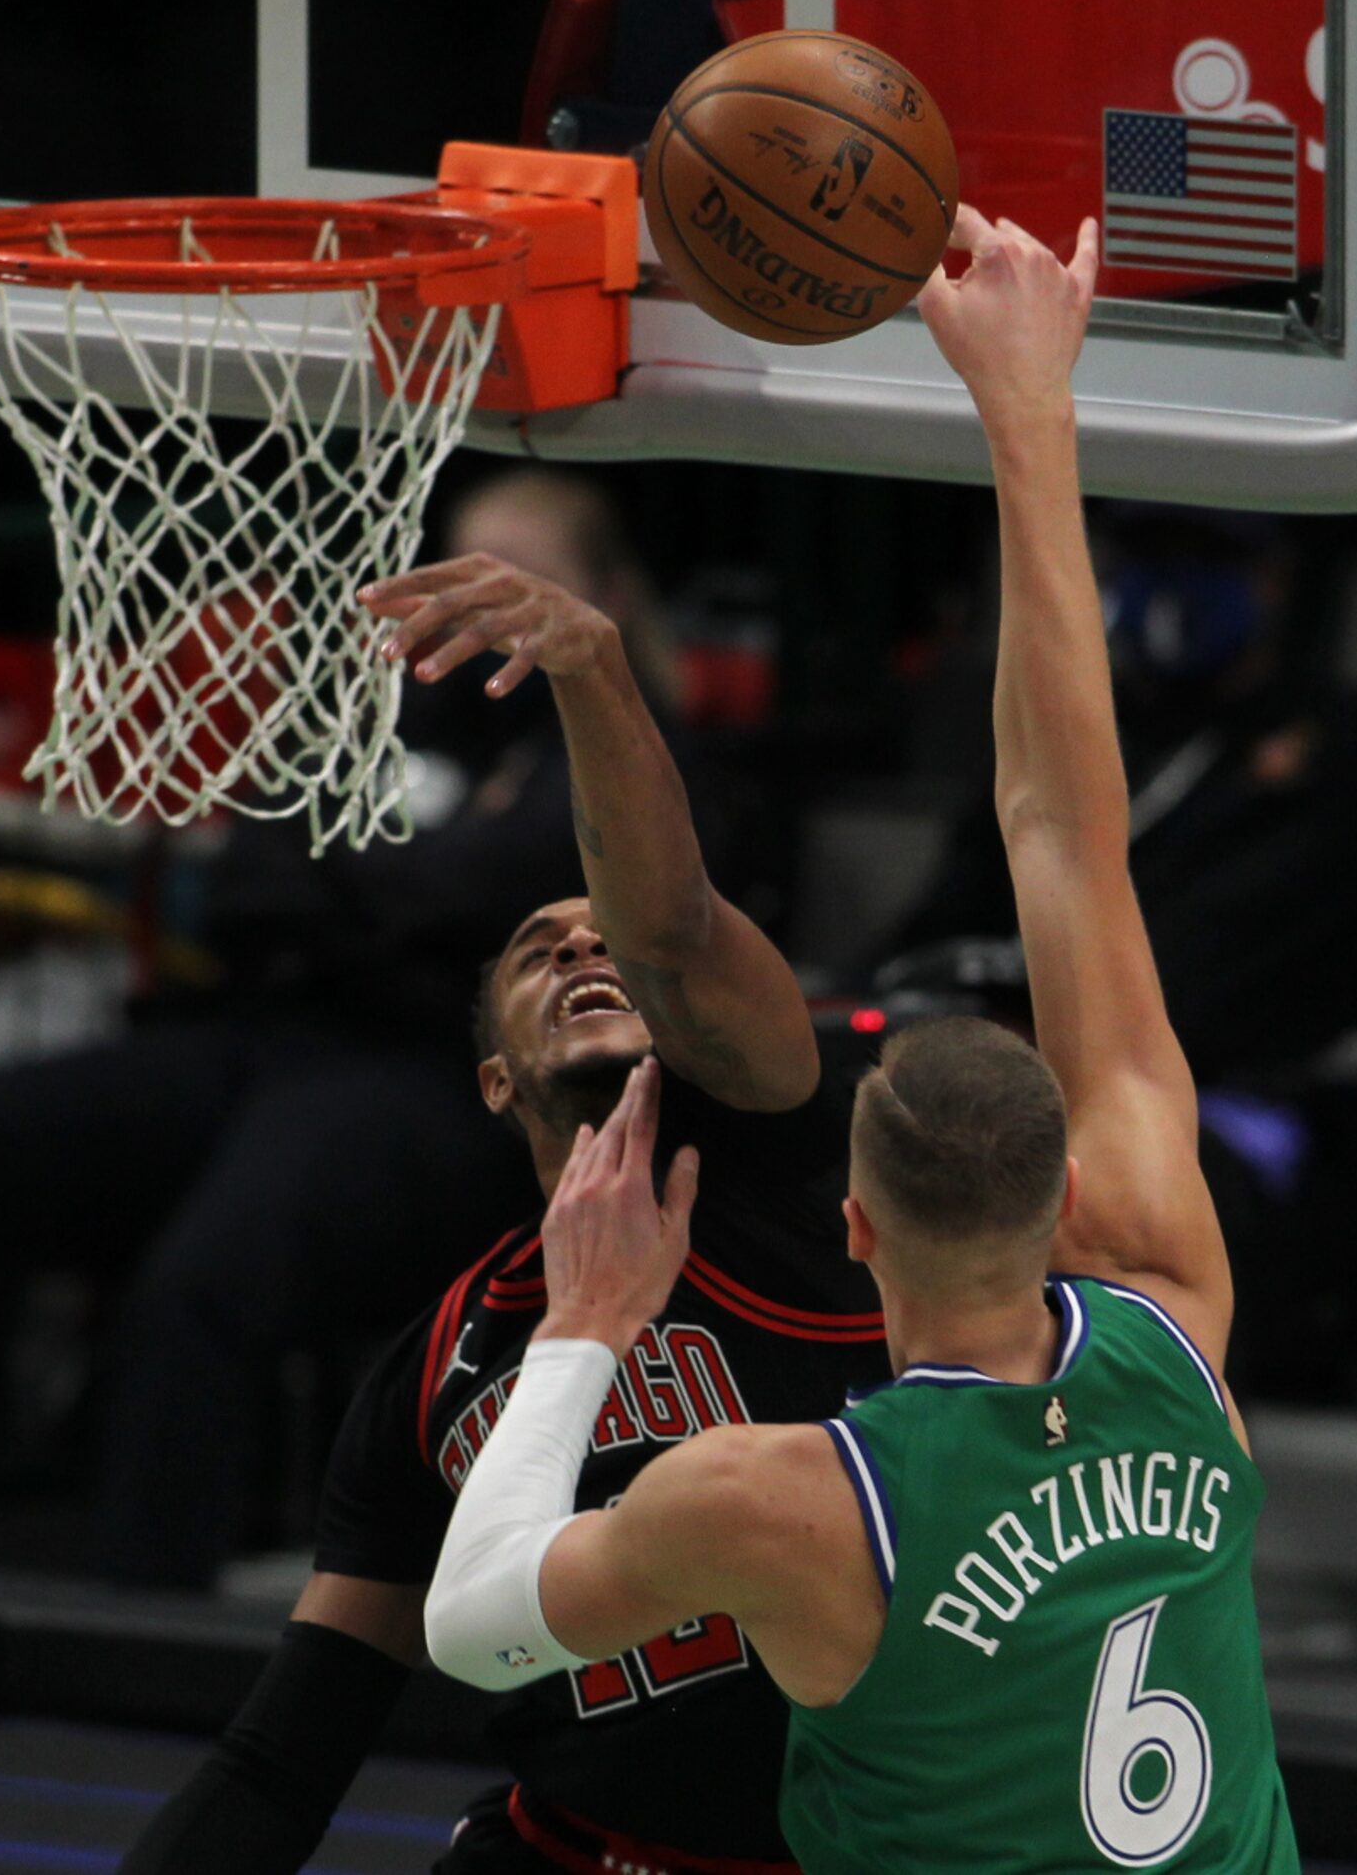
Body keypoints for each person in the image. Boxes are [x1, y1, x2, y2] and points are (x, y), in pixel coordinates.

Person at [423, 208, 1300, 1873]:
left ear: (852, 1228)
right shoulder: (1177, 1314)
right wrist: (1034, 411)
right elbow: (1067, 829)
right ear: (1067, 1198)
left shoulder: (790, 1496)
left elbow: (472, 1625)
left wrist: (587, 1322)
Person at [117, 506, 890, 1866]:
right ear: (492, 1080)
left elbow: (676, 920)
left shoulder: (779, 1157)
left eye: (610, 947)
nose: (586, 950)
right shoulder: (437, 1368)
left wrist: (591, 670)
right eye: (539, 950)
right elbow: (284, 1752)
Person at [0, 467, 694, 1587]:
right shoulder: (376, 711)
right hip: (274, 1038)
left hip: (454, 1082)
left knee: (210, 1273)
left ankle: (138, 1602)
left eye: (526, 581)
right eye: (467, 576)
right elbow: (255, 876)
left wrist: (354, 898)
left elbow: (510, 912)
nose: (484, 612)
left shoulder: (631, 760)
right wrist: (400, 908)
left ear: (598, 596)